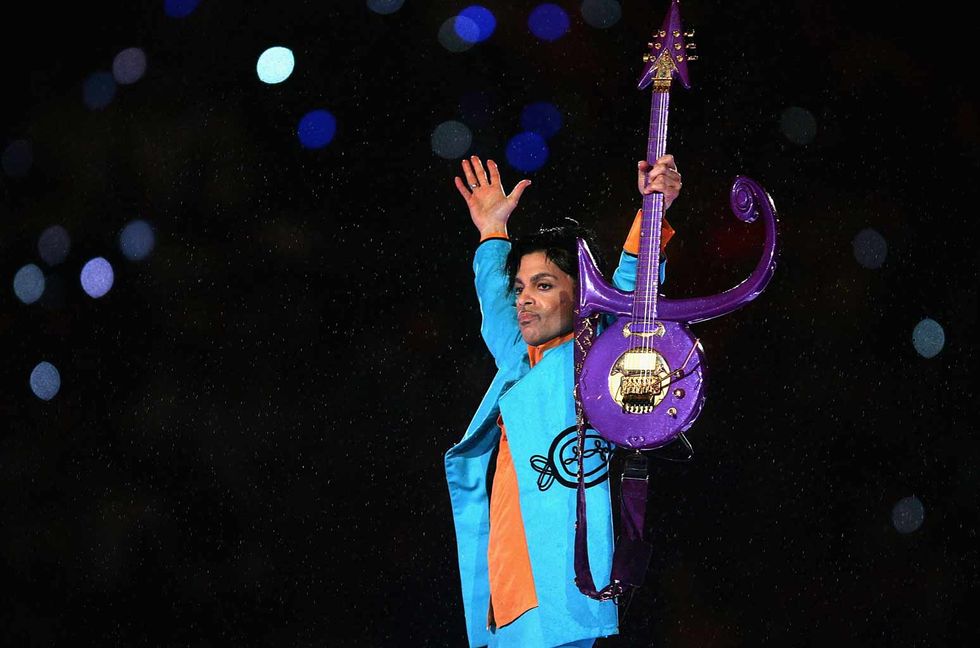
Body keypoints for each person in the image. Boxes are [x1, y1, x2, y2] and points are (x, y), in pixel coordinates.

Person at [445, 155, 681, 648]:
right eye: (521, 288)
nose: (524, 299)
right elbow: (495, 305)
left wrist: (652, 214)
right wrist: (492, 232)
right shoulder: (520, 364)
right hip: (506, 600)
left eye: (545, 285)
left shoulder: (595, 356)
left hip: (563, 595)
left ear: (584, 296)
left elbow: (634, 294)